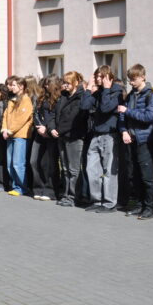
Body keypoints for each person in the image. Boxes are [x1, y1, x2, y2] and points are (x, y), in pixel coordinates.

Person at [117, 64, 153, 219]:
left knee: (147, 176)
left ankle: (149, 207)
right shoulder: (130, 95)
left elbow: (149, 117)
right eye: (130, 80)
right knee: (135, 175)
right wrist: (123, 131)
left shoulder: (151, 95)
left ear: (142, 77)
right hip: (131, 139)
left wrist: (128, 111)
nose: (131, 83)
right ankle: (140, 205)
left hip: (145, 140)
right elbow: (122, 116)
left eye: (134, 79)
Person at [81, 65, 123, 212]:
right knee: (91, 169)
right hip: (96, 134)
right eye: (96, 76)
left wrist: (106, 89)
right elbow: (85, 106)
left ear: (108, 77)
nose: (98, 79)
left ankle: (109, 203)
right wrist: (88, 88)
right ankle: (97, 200)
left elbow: (106, 108)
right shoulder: (98, 92)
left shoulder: (117, 91)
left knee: (109, 171)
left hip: (109, 135)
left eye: (101, 76)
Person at [52, 71, 87, 207]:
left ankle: (74, 196)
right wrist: (52, 128)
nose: (65, 85)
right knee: (65, 169)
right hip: (61, 136)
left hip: (74, 137)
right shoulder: (63, 97)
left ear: (76, 83)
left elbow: (73, 119)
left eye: (68, 83)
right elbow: (56, 114)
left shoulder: (81, 97)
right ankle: (66, 194)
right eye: (64, 83)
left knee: (73, 169)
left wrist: (58, 130)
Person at [30, 75, 61, 201]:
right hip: (40, 133)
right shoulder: (41, 98)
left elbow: (56, 117)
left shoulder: (59, 98)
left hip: (52, 134)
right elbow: (36, 113)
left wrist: (47, 129)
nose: (45, 86)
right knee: (34, 161)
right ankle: (38, 187)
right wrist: (39, 127)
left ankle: (51, 190)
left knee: (49, 164)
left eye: (48, 84)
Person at [2, 75, 33, 196]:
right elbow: (6, 115)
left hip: (20, 135)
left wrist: (10, 130)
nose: (11, 87)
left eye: (14, 85)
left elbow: (22, 119)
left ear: (21, 86)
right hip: (9, 135)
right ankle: (15, 185)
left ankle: (22, 187)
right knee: (10, 163)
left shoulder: (26, 100)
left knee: (18, 163)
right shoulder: (12, 100)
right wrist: (4, 129)